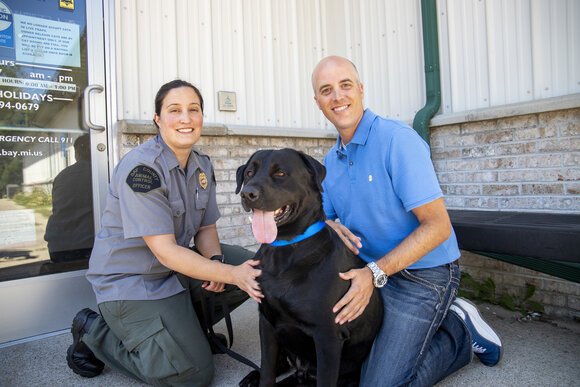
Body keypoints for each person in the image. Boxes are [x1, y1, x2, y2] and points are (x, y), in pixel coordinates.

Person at [311, 56, 502, 386]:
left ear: (360, 89)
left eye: (345, 85)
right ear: (318, 102)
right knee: (348, 369)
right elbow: (321, 219)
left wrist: (373, 272)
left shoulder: (397, 140)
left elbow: (438, 226)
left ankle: (459, 330)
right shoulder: (331, 160)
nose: (337, 96)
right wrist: (328, 225)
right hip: (370, 273)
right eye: (326, 90)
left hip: (424, 275)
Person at [66, 79, 263, 386]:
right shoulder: (142, 169)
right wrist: (228, 273)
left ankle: (181, 337)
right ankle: (94, 332)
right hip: (132, 283)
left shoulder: (201, 165)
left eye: (193, 109)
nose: (186, 118)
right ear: (157, 118)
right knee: (193, 376)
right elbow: (165, 251)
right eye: (174, 110)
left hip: (173, 271)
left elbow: (206, 227)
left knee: (254, 269)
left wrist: (216, 260)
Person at [44, 133, 94, 263]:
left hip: (58, 245)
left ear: (77, 152)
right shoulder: (100, 174)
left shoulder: (62, 175)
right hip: (86, 246)